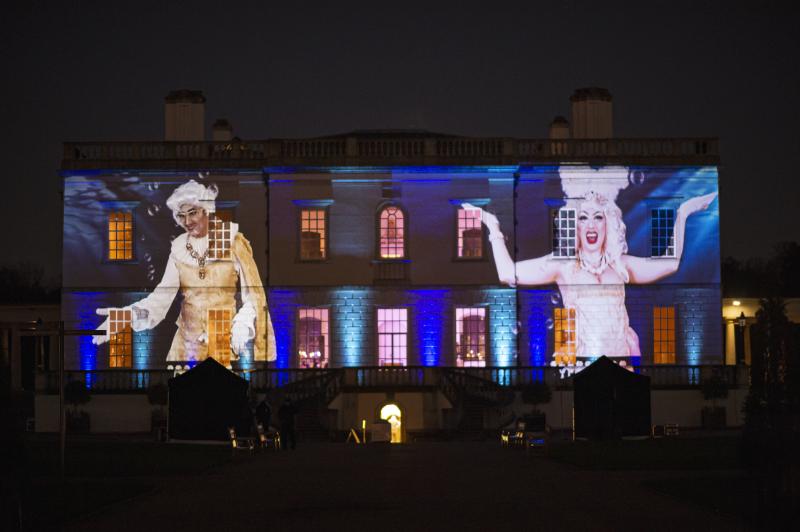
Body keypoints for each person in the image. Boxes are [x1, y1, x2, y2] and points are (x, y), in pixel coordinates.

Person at [465, 165, 716, 365]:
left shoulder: (621, 265)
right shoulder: (563, 265)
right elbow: (508, 273)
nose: (591, 224)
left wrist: (683, 213)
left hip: (622, 363)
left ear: (609, 224)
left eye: (598, 217)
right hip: (583, 366)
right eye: (583, 218)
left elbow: (670, 265)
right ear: (576, 226)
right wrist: (494, 229)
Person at [92, 180, 276, 366]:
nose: (187, 222)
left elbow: (254, 295)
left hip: (221, 336)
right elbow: (160, 300)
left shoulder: (232, 242)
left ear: (206, 210)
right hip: (184, 345)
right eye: (181, 216)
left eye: (192, 213)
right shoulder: (179, 249)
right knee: (183, 391)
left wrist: (241, 325)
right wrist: (128, 315)